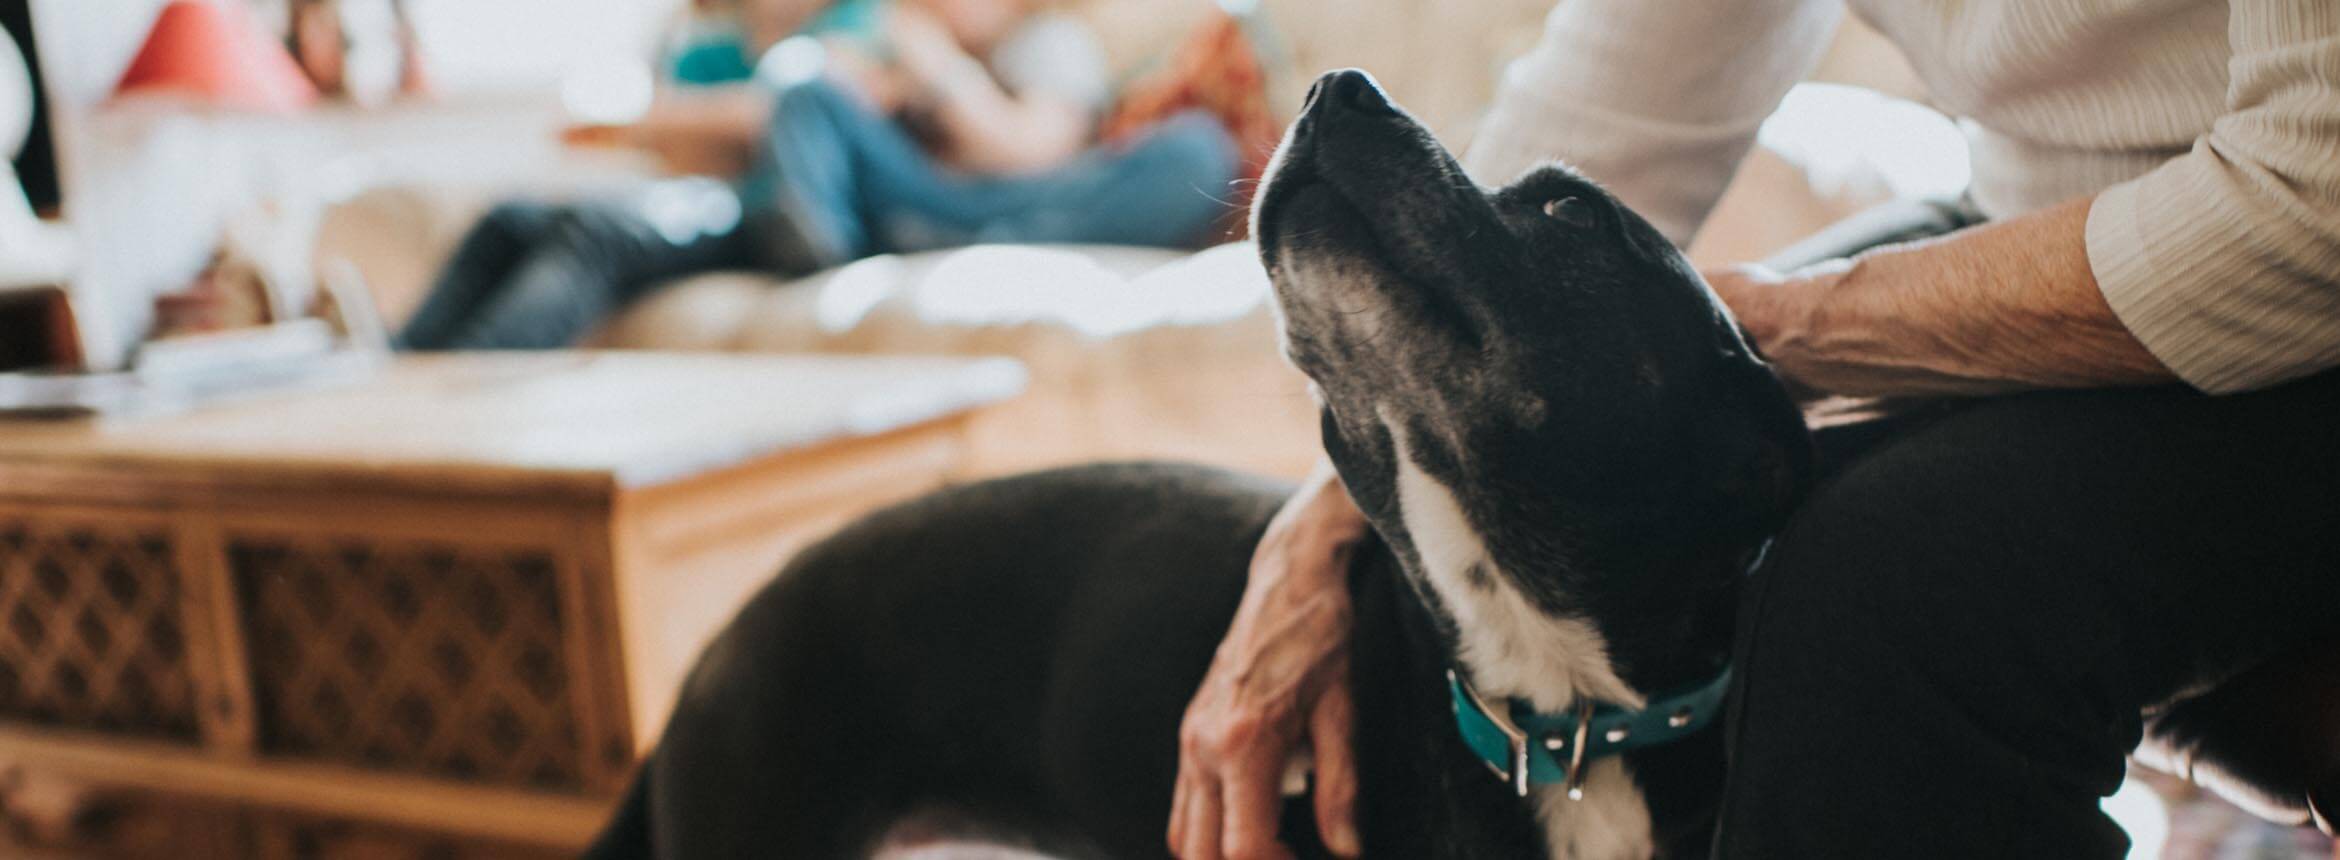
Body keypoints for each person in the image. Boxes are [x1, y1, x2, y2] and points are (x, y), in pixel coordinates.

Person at [1170, 2, 2340, 858]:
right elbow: (1617, 105)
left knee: (1882, 574)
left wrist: (1783, 325)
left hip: (2303, 272)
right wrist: (1329, 520)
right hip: (2048, 207)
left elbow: (2311, 214)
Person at [396, 0, 1238, 351]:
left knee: (1195, 151)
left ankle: (902, 237)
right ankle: (401, 367)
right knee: (806, 92)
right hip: (885, 209)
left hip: (1001, 203)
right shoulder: (865, 39)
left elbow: (1027, 152)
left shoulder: (1047, 43)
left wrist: (934, 72)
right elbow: (806, 118)